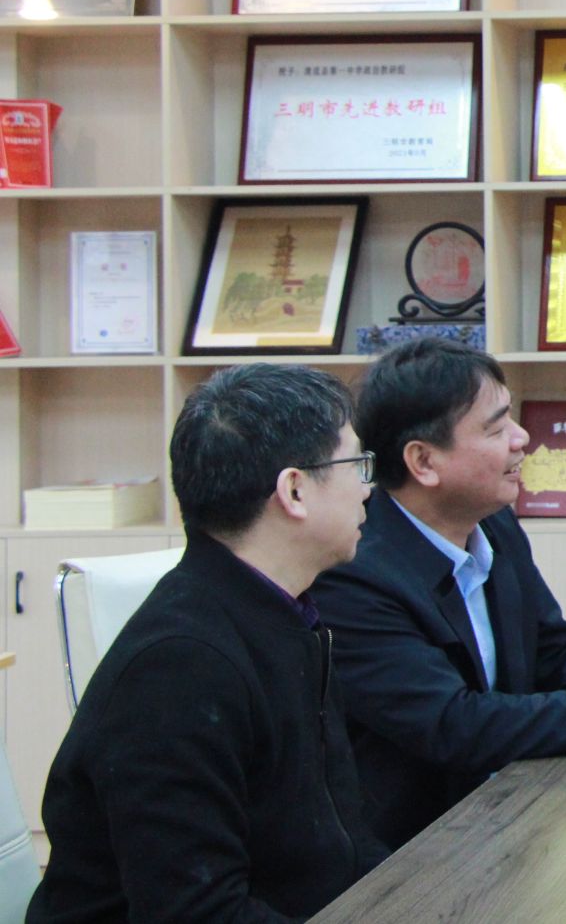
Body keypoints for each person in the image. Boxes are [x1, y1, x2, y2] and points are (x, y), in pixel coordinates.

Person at [311, 338, 566, 846]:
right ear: (423, 461)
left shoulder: (493, 524)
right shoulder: (354, 574)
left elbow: (555, 650)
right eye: (496, 429)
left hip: (513, 814)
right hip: (415, 849)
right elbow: (454, 725)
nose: (523, 437)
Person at [31, 364, 385, 922]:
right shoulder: (178, 667)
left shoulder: (287, 614)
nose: (369, 488)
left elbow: (340, 838)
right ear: (294, 490)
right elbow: (197, 912)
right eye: (357, 465)